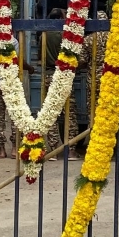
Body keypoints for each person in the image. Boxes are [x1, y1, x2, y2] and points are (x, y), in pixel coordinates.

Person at [82, 10, 119, 162]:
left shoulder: (88, 40)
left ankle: (96, 148)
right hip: (112, 79)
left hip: (94, 80)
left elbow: (82, 61)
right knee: (116, 114)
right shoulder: (115, 38)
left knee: (95, 114)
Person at [45, 8, 80, 160]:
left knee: (51, 113)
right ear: (61, 18)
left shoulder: (44, 35)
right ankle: (71, 150)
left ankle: (53, 150)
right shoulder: (65, 36)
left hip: (48, 75)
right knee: (69, 113)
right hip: (63, 75)